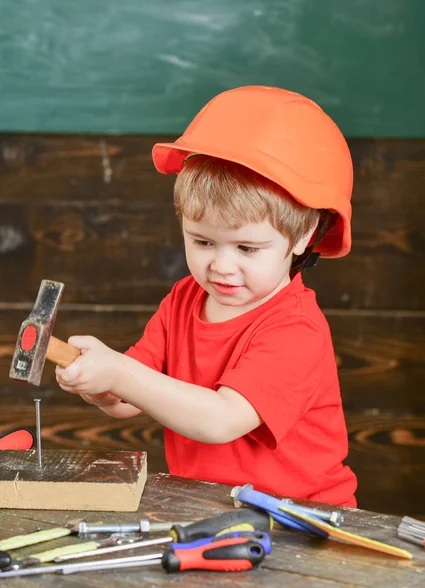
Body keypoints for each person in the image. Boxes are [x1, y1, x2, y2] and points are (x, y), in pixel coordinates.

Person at [56, 86, 357, 506]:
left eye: (247, 248)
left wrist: (120, 374)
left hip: (301, 519)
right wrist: (102, 386)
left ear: (304, 236)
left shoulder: (295, 329)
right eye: (203, 242)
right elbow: (132, 398)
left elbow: (221, 420)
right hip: (211, 510)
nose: (222, 266)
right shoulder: (184, 299)